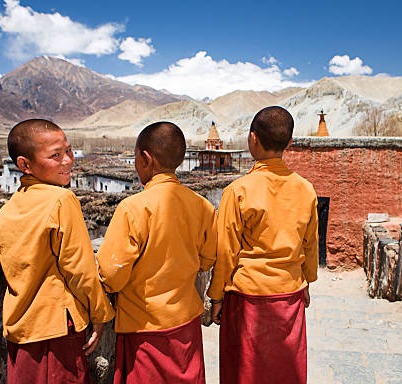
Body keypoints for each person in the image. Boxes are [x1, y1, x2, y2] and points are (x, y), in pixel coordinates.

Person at [0, 119, 115, 384]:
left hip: (21, 329)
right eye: (55, 155)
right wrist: (100, 314)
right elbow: (79, 270)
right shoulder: (61, 200)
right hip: (56, 330)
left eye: (68, 151)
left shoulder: (5, 212)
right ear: (25, 164)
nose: (68, 161)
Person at [96, 121, 217, 384]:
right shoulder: (203, 207)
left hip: (144, 327)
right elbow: (207, 261)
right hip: (186, 324)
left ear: (145, 158)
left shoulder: (132, 208)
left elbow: (112, 273)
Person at [207, 106, 319, 384]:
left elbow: (226, 251)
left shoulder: (238, 190)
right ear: (289, 143)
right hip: (289, 293)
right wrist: (306, 280)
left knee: (243, 372)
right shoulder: (305, 189)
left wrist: (217, 296)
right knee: (284, 372)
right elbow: (311, 244)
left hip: (247, 298)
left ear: (252, 139)